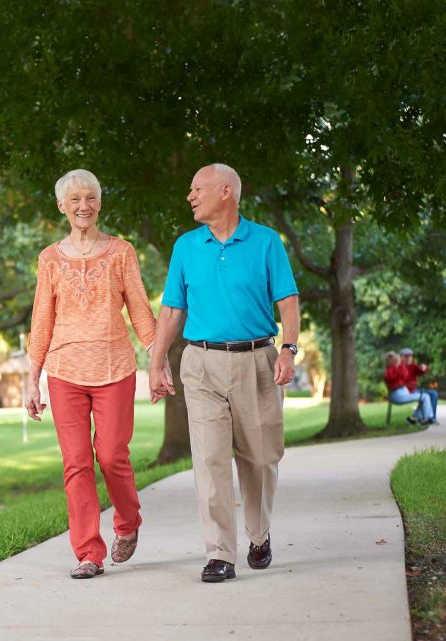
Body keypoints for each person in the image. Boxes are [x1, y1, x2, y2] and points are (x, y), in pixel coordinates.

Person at [148, 163, 300, 583]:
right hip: (201, 363)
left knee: (261, 458)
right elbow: (173, 309)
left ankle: (259, 534)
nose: (190, 196)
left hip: (257, 361)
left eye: (198, 189)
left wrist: (288, 349)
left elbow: (287, 301)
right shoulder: (186, 246)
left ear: (226, 192)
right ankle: (219, 554)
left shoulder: (266, 242)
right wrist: (157, 360)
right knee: (210, 460)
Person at [25, 169, 167, 579]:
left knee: (111, 456)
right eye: (75, 200)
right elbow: (42, 318)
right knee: (76, 462)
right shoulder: (50, 258)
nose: (83, 206)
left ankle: (128, 521)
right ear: (62, 207)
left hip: (114, 367)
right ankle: (89, 552)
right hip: (64, 370)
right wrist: (32, 378)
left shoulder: (121, 252)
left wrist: (157, 360)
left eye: (90, 198)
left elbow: (140, 310)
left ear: (99, 203)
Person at [386, 351, 435, 425]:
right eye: (397, 359)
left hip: (402, 393)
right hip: (398, 395)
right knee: (425, 396)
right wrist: (400, 365)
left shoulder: (395, 368)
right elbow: (399, 377)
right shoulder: (390, 370)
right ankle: (428, 419)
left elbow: (404, 375)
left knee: (425, 397)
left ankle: (415, 418)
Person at [399, 348, 437, 424]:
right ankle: (425, 419)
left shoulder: (412, 366)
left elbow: (422, 371)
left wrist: (424, 368)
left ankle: (429, 418)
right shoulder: (398, 367)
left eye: (410, 356)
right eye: (406, 356)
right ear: (400, 357)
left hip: (415, 389)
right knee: (425, 396)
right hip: (406, 391)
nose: (409, 358)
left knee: (433, 394)